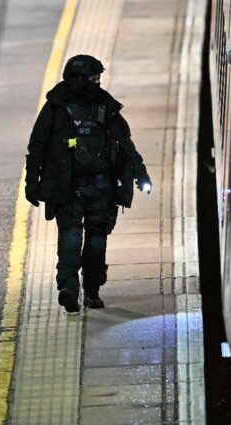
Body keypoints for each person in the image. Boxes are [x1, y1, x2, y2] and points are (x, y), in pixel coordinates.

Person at [24, 54, 152, 313]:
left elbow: (126, 144)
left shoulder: (105, 107)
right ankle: (69, 289)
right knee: (70, 240)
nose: (97, 83)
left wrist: (141, 173)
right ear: (77, 79)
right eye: (92, 79)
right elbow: (37, 146)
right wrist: (31, 181)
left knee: (96, 244)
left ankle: (91, 290)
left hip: (101, 189)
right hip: (68, 188)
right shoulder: (55, 108)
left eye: (98, 79)